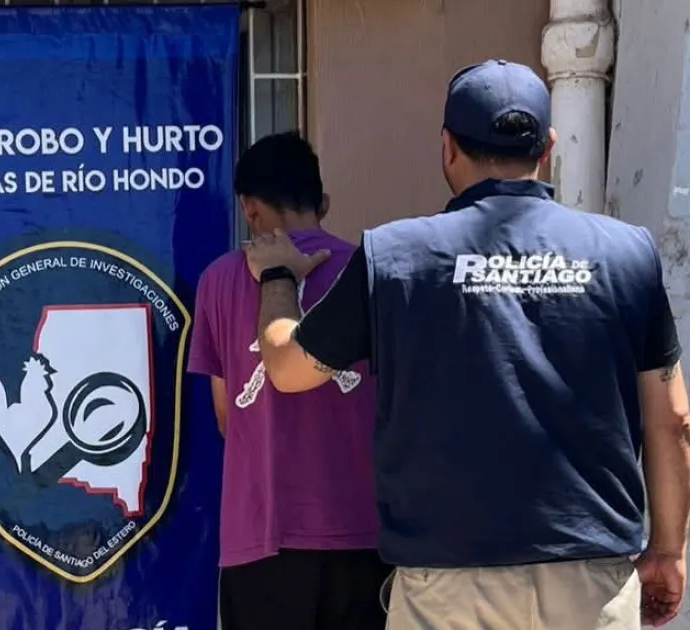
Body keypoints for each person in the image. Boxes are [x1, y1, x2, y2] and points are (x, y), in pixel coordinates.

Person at [242, 59, 690, 630]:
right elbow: (672, 420)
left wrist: (278, 277)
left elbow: (287, 367)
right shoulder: (627, 254)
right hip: (590, 581)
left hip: (446, 589)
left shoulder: (395, 257)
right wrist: (668, 551)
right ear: (548, 147)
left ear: (448, 148)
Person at [188, 131, 389, 630]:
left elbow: (225, 416)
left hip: (262, 538)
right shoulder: (374, 273)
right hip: (364, 534)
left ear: (250, 209)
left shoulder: (219, 280)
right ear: (323, 203)